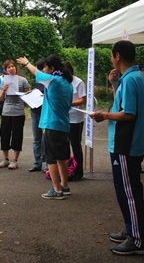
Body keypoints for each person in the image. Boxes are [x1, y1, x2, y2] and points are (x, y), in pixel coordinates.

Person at [90, 40, 144, 255]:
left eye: (112, 55)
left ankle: (138, 239)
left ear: (117, 56)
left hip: (126, 145)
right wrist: (115, 85)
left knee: (130, 193)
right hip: (125, 144)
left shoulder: (132, 79)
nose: (111, 59)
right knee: (126, 191)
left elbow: (128, 113)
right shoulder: (133, 78)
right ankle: (130, 229)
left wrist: (103, 115)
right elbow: (123, 105)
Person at [17, 55, 73, 199]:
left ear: (52, 68)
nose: (44, 70)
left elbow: (36, 72)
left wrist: (26, 62)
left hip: (52, 125)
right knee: (61, 158)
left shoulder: (53, 81)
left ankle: (56, 190)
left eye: (46, 67)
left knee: (51, 159)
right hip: (64, 125)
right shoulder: (67, 83)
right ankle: (65, 186)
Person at [0, 60, 30, 169]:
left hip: (18, 111)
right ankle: (6, 159)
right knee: (4, 134)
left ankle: (15, 160)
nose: (11, 69)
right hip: (6, 111)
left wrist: (24, 95)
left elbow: (29, 95)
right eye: (8, 67)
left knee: (17, 135)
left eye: (13, 67)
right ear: (5, 70)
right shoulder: (3, 81)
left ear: (16, 68)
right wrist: (2, 90)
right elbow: (1, 99)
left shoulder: (23, 80)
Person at [63, 61, 86, 181]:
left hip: (76, 118)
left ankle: (79, 171)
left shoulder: (78, 82)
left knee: (75, 144)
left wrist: (70, 103)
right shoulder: (62, 82)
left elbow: (83, 99)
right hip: (64, 117)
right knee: (65, 145)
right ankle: (67, 169)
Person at [28, 59, 46, 172]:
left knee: (46, 140)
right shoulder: (38, 80)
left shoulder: (50, 80)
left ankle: (49, 165)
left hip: (45, 113)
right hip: (34, 112)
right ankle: (37, 163)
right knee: (37, 139)